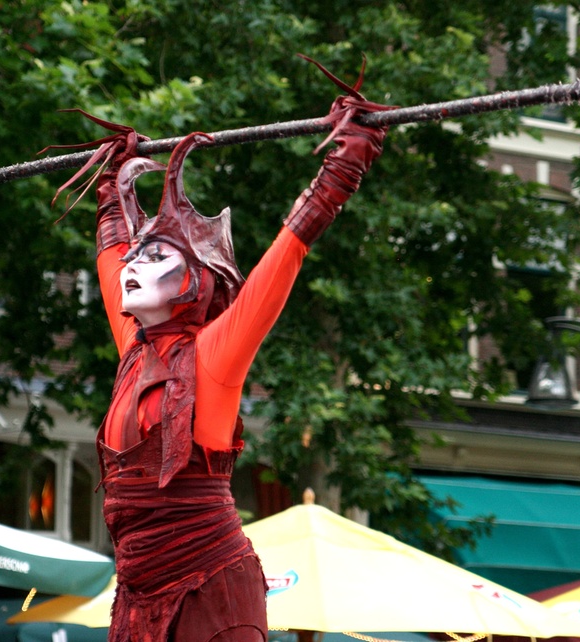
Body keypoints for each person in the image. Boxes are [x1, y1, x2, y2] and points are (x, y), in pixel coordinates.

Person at [58, 56, 391, 642]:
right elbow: (112, 253)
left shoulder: (213, 354)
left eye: (157, 257)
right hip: (136, 593)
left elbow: (279, 264)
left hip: (211, 587)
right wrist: (111, 188)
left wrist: (341, 170)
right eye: (138, 255)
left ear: (197, 281)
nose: (135, 267)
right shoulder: (136, 347)